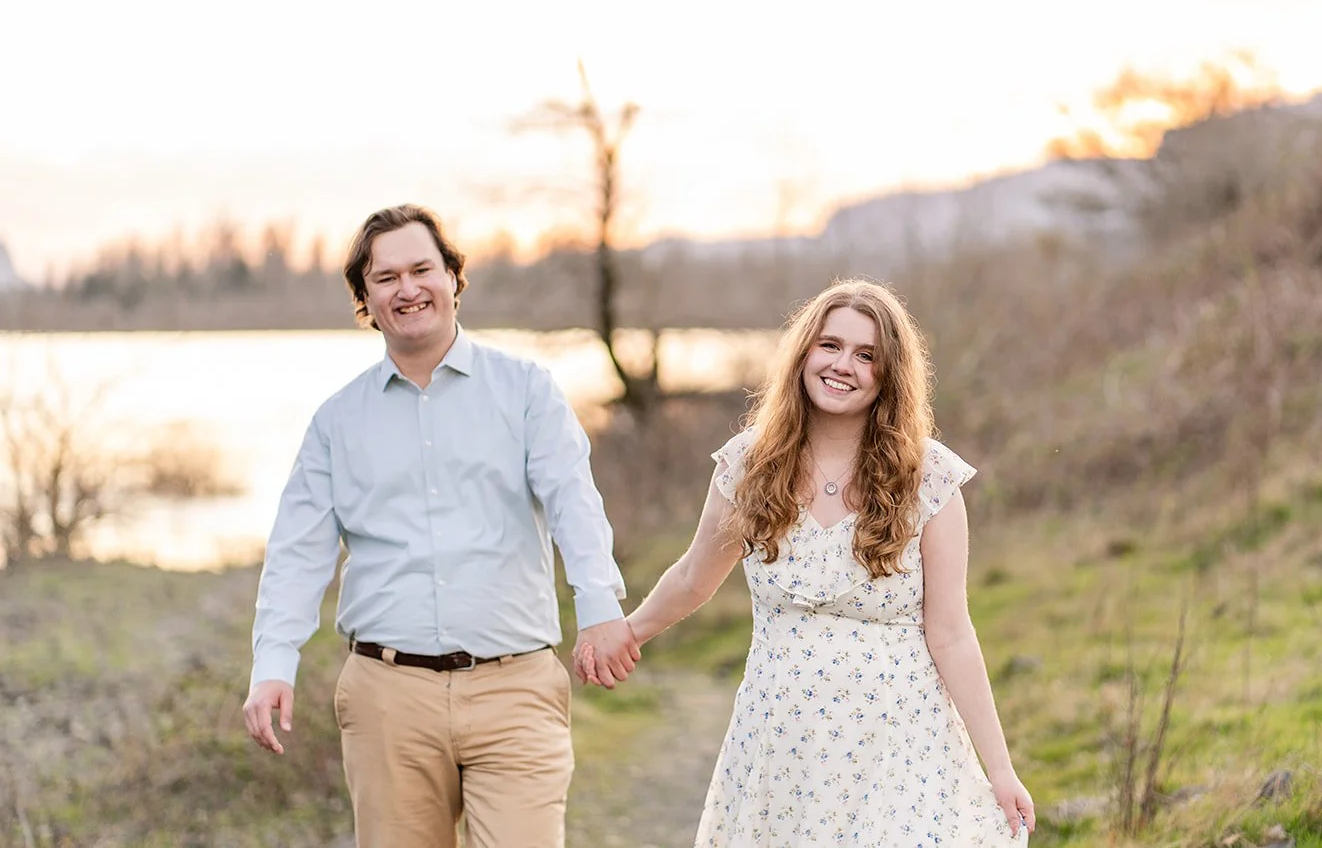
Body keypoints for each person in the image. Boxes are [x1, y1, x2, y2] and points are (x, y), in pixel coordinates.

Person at [580, 279, 1035, 845]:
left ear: (888, 374)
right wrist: (627, 633)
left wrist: (1000, 769)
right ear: (802, 355)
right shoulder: (750, 463)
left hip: (898, 747)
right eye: (830, 345)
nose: (844, 365)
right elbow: (696, 576)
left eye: (866, 355)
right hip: (780, 746)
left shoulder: (929, 477)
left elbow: (951, 634)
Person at [242, 203, 641, 848]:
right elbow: (297, 555)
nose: (408, 289)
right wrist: (272, 663)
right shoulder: (337, 422)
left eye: (422, 269)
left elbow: (574, 501)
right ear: (365, 298)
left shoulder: (526, 391)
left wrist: (598, 607)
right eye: (386, 277)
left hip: (515, 689)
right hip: (386, 698)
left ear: (453, 276)